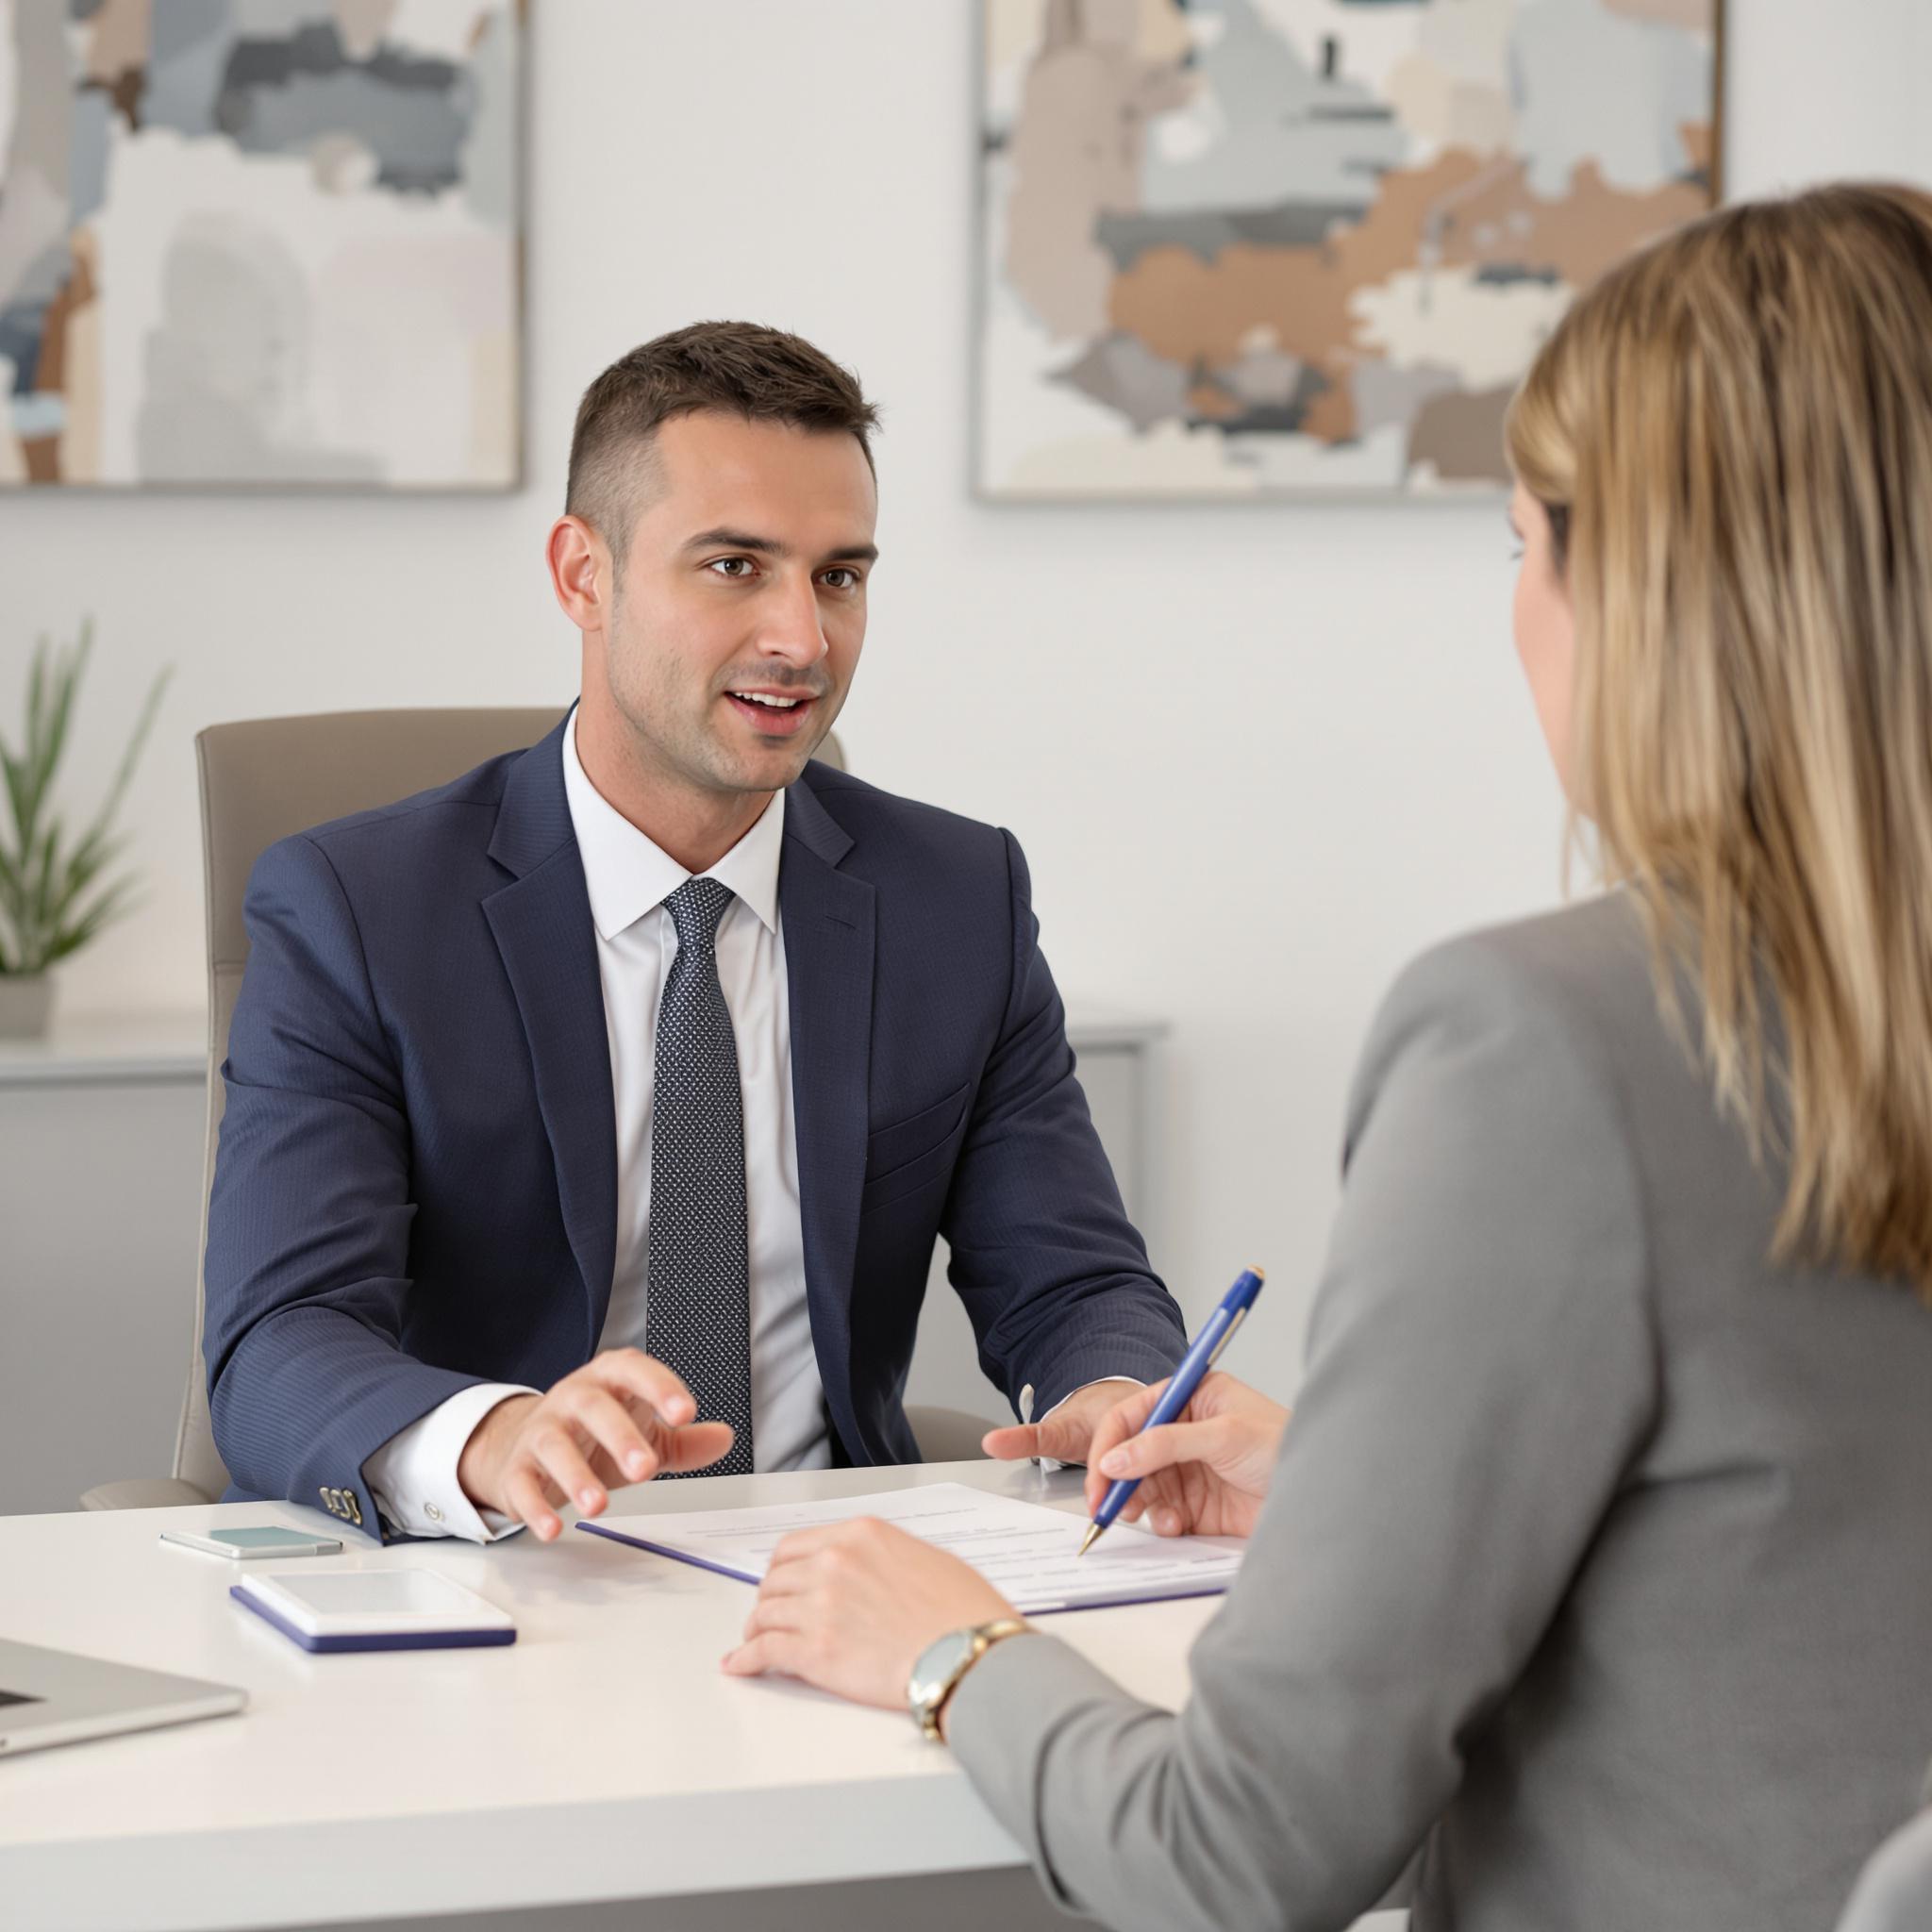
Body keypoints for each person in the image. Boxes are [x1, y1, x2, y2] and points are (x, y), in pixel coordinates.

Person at [722, 185, 1932, 1929]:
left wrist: (947, 1651)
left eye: (1522, 545)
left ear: (1650, 593)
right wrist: (1362, 1483)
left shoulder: (1551, 1046)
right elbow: (1795, 1557)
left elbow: (1236, 1859)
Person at [203, 322, 1185, 1544]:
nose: (802, 639)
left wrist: (1114, 1399)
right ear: (583, 575)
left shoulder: (955, 898)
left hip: (823, 1577)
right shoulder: (357, 909)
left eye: (839, 575)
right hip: (484, 1574)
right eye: (734, 567)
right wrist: (497, 1439)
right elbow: (279, 1339)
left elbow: (1073, 1281)